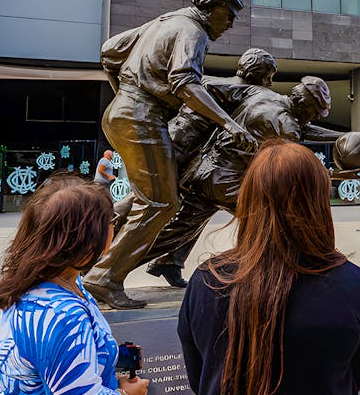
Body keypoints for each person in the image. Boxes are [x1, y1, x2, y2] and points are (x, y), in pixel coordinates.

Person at [84, 0, 257, 309]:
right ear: (213, 6)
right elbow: (185, 82)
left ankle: (95, 265)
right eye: (229, 14)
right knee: (160, 204)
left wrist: (125, 94)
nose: (231, 24)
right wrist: (229, 122)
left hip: (125, 112)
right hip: (141, 117)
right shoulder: (194, 31)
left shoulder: (165, 21)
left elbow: (109, 53)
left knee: (153, 200)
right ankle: (103, 278)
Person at [178, 141, 360, 395]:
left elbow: (199, 378)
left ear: (248, 198)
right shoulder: (352, 285)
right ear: (318, 202)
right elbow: (355, 376)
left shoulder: (207, 282)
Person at [143, 76, 348, 287]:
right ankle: (119, 262)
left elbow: (209, 87)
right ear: (305, 105)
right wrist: (336, 175)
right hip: (224, 185)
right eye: (315, 112)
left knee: (186, 223)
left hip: (206, 171)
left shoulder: (262, 94)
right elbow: (289, 167)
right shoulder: (286, 126)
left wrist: (342, 136)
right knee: (266, 217)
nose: (314, 118)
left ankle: (168, 261)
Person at [0, 174, 150, 395]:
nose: (115, 226)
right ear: (86, 240)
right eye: (111, 220)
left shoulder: (54, 281)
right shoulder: (62, 315)